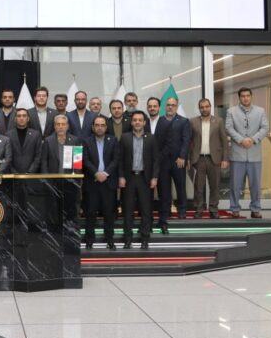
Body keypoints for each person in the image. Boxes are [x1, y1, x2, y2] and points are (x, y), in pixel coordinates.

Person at [226, 87, 269, 219]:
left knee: (255, 185)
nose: (245, 98)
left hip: (254, 155)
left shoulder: (260, 111)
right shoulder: (231, 111)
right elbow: (228, 128)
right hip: (237, 154)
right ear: (239, 98)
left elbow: (265, 127)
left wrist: (253, 139)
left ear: (251, 96)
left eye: (248, 96)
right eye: (243, 96)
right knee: (235, 185)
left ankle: (255, 209)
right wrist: (241, 140)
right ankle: (235, 209)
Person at [119, 111, 159, 249]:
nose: (137, 122)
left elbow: (156, 159)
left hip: (145, 178)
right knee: (128, 210)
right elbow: (119, 159)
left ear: (144, 123)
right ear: (131, 122)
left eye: (140, 120)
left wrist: (154, 177)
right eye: (135, 120)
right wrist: (121, 176)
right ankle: (127, 239)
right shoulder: (124, 138)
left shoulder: (151, 138)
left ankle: (145, 238)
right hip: (129, 178)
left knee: (146, 210)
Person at [82, 115, 120, 250]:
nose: (99, 128)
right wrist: (96, 173)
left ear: (106, 127)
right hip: (92, 182)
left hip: (108, 183)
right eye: (97, 125)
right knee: (90, 213)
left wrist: (105, 173)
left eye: (102, 125)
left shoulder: (113, 140)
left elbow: (116, 159)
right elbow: (85, 160)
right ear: (93, 127)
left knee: (109, 214)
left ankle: (109, 239)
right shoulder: (86, 141)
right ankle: (89, 240)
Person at [154, 97, 191, 232]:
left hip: (178, 161)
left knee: (180, 186)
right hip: (163, 161)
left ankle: (182, 210)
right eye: (168, 105)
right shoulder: (161, 120)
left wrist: (182, 156)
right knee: (164, 189)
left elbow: (186, 140)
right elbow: (157, 140)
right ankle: (166, 211)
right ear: (165, 106)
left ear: (176, 106)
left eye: (173, 105)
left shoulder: (184, 121)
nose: (170, 107)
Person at [190, 98, 230, 219]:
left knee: (215, 186)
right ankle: (199, 209)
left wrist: (225, 159)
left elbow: (224, 141)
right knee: (198, 187)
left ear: (210, 107)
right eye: (202, 107)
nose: (204, 109)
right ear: (199, 108)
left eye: (206, 106)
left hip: (215, 159)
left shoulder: (219, 121)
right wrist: (188, 159)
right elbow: (189, 141)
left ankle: (213, 209)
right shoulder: (193, 122)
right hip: (199, 159)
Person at [8, 108, 41, 174]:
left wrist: (30, 172)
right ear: (15, 119)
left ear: (28, 118)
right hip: (13, 175)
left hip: (31, 175)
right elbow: (7, 157)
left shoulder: (36, 135)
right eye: (19, 116)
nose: (21, 118)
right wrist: (14, 172)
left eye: (24, 116)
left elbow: (38, 157)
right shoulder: (8, 135)